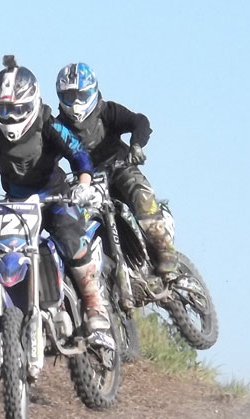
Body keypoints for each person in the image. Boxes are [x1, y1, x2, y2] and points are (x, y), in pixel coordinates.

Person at [0, 56, 112, 336]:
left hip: (55, 197)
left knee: (71, 240)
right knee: (4, 252)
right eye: (3, 109)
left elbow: (77, 152)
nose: (10, 116)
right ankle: (22, 307)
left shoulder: (47, 123)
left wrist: (84, 183)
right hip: (16, 204)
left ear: (32, 102)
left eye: (17, 109)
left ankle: (94, 305)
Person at [55, 62, 178, 277]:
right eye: (69, 96)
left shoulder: (107, 111)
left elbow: (139, 121)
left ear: (92, 92)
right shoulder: (58, 127)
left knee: (139, 193)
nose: (75, 103)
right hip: (86, 182)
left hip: (120, 167)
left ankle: (165, 251)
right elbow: (47, 156)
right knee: (72, 220)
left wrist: (137, 145)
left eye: (81, 96)